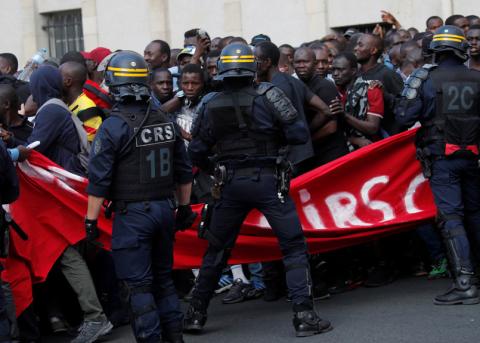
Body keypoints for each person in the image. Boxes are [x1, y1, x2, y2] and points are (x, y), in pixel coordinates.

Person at [184, 43, 332, 337]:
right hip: (268, 180)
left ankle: (196, 315)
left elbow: (196, 151)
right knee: (292, 246)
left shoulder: (210, 101)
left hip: (229, 183)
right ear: (253, 68)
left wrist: (217, 168)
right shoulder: (270, 94)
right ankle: (304, 315)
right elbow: (299, 133)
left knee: (217, 248)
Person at [85, 50, 195, 343]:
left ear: (113, 84)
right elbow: (184, 172)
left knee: (139, 288)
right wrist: (184, 208)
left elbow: (99, 181)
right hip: (165, 212)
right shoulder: (165, 120)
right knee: (164, 282)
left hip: (133, 217)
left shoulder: (113, 126)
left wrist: (90, 221)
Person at [395, 25, 480, 305]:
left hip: (441, 158)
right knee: (475, 214)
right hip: (473, 157)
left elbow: (404, 117)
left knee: (451, 217)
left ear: (434, 50)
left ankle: (465, 283)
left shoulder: (424, 78)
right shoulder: (476, 77)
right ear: (461, 49)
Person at [293, 47, 349, 166]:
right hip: (316, 155)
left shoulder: (325, 86)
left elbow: (331, 127)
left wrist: (306, 141)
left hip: (331, 155)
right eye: (298, 62)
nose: (301, 65)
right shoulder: (299, 86)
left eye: (306, 62)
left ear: (314, 64)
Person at [331, 52, 384, 149]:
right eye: (333, 69)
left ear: (353, 71)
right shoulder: (331, 91)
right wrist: (353, 140)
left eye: (340, 70)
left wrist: (344, 115)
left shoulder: (371, 89)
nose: (335, 74)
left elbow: (373, 128)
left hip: (370, 148)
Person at [354, 33, 403, 135]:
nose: (355, 48)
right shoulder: (355, 75)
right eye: (356, 45)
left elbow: (403, 107)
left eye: (360, 45)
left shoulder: (387, 74)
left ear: (373, 50)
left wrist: (384, 94)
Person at [59, 61, 104, 141]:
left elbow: (90, 146)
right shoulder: (67, 102)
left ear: (68, 81)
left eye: (58, 76)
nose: (54, 80)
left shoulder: (87, 109)